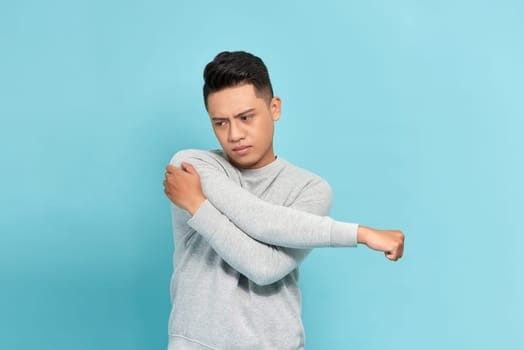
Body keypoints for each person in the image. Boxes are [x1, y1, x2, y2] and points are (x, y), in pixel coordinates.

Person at [163, 51, 404, 350]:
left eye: (246, 117)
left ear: (274, 108)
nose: (235, 134)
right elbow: (258, 222)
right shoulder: (192, 166)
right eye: (220, 123)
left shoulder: (310, 189)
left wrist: (198, 205)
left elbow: (264, 266)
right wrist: (361, 234)